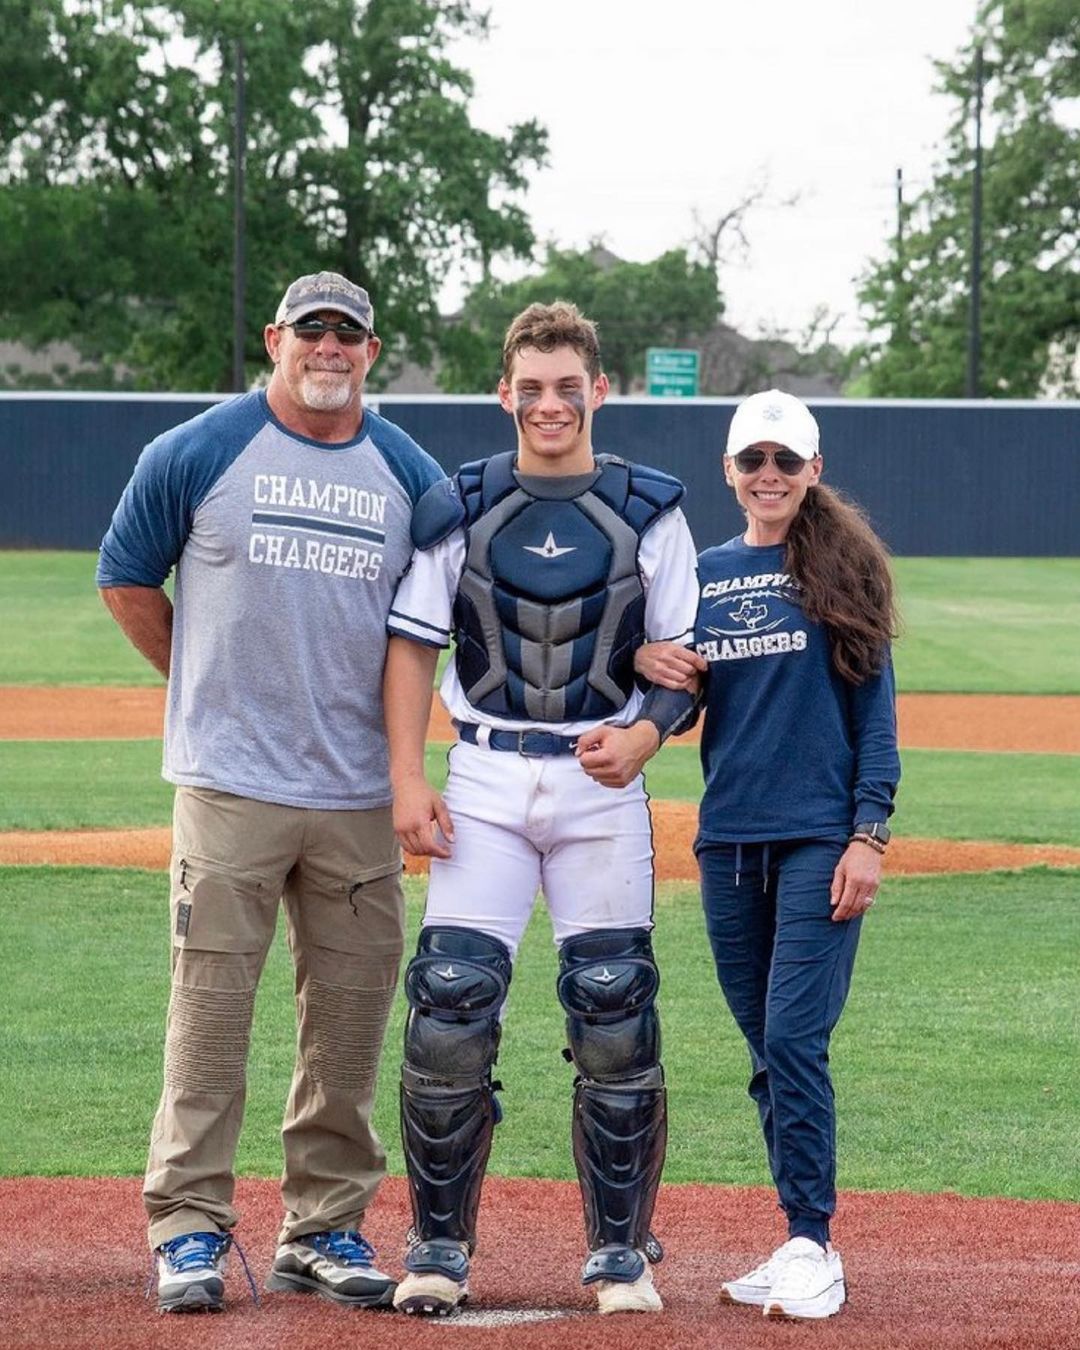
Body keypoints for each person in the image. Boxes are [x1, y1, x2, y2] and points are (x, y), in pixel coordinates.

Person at [96, 271, 446, 1314]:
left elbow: (431, 619)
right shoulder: (197, 450)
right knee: (209, 1014)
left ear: (371, 352)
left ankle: (324, 1226)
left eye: (349, 333)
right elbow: (125, 577)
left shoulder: (408, 471)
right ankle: (189, 1229)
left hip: (354, 793)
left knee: (347, 1018)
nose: (329, 348)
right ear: (275, 339)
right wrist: (201, 688)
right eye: (311, 330)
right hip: (230, 785)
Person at [381, 301, 700, 1316]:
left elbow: (684, 664)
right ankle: (437, 1247)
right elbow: (413, 646)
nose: (550, 403)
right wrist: (407, 778)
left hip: (598, 781)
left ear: (600, 391)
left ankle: (619, 1254)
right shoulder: (457, 502)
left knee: (614, 1006)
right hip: (480, 777)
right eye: (532, 387)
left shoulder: (653, 507)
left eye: (570, 386)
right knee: (450, 1008)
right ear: (504, 393)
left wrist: (648, 733)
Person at [639, 388, 900, 1321]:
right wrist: (647, 667)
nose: (769, 476)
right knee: (766, 1049)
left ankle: (813, 1243)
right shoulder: (704, 574)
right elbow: (683, 698)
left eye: (786, 461)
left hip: (819, 840)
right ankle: (796, 1236)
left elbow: (875, 718)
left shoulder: (843, 573)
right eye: (753, 460)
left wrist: (869, 834)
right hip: (729, 845)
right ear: (730, 472)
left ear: (813, 471)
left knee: (794, 1038)